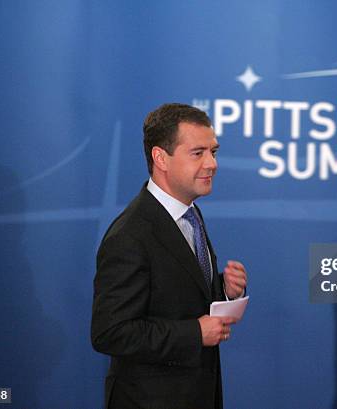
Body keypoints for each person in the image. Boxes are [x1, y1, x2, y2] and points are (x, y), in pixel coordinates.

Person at [91, 103, 247, 409]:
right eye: (198, 153)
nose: (212, 163)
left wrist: (224, 293)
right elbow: (110, 332)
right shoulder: (130, 234)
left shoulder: (191, 214)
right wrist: (194, 333)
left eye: (213, 151)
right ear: (160, 158)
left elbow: (174, 295)